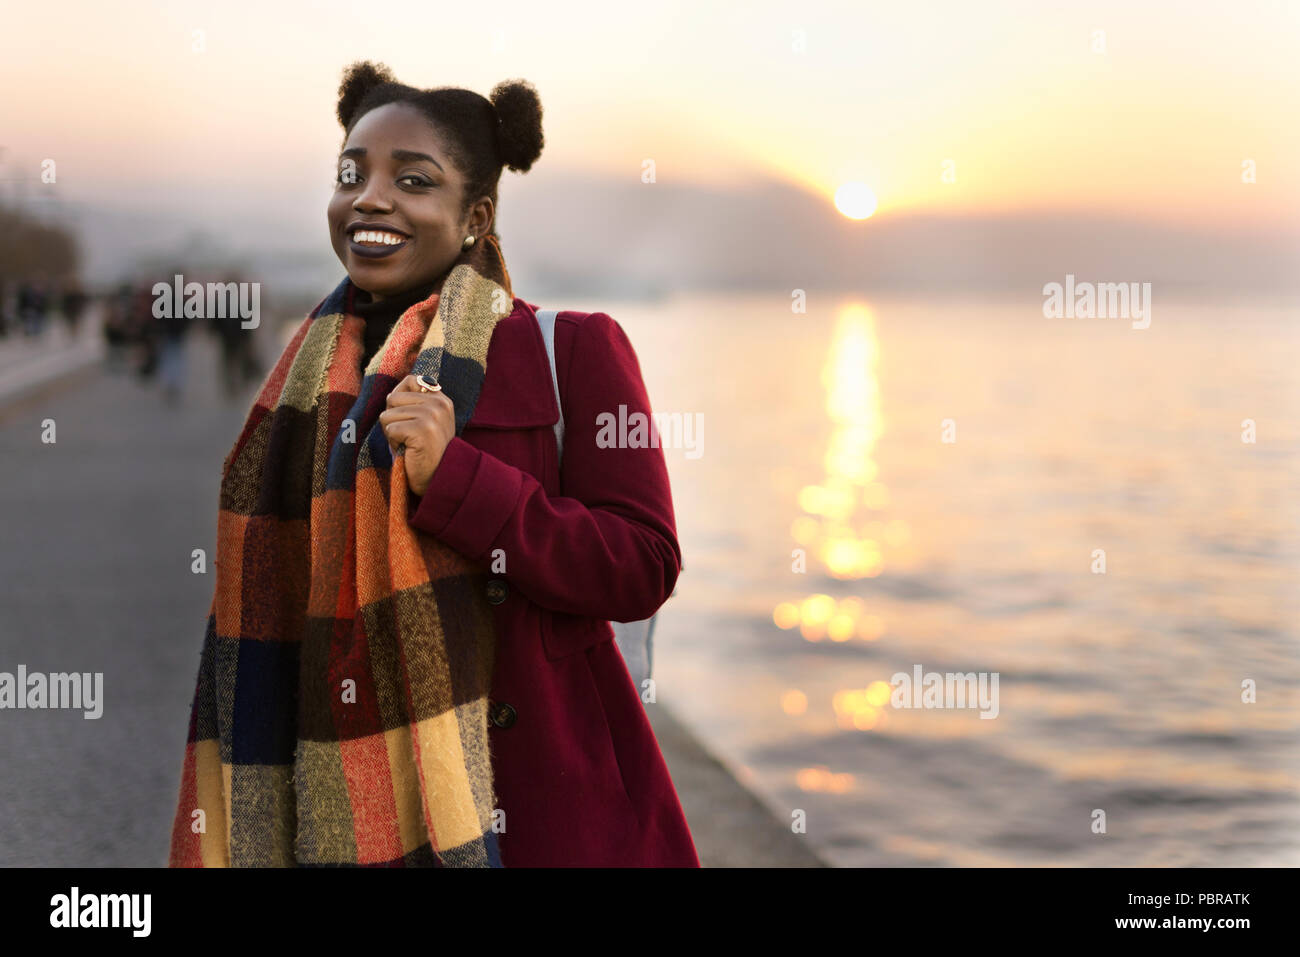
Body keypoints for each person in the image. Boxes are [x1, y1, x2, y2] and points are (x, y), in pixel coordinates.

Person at [168, 61, 698, 868]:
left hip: (545, 808)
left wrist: (460, 481)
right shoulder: (306, 386)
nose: (369, 199)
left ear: (476, 215)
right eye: (352, 174)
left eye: (413, 180)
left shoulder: (573, 349)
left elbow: (642, 566)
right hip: (342, 800)